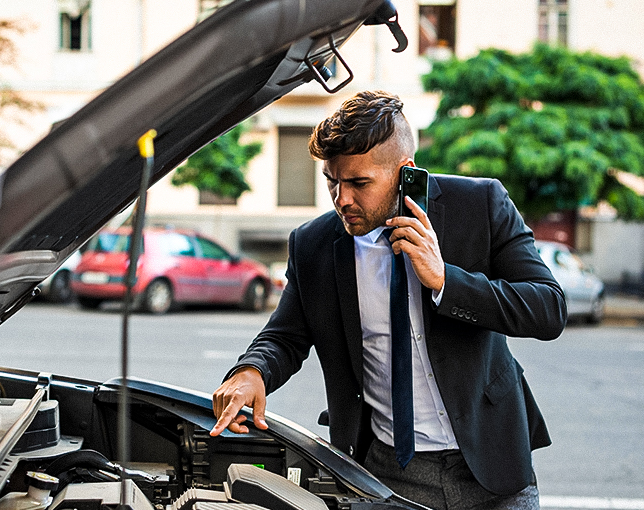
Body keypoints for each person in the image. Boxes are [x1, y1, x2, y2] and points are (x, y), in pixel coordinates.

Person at [210, 90, 567, 510]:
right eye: (332, 181)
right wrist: (252, 371)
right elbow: (285, 335)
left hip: (492, 466)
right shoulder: (314, 245)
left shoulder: (480, 206)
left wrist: (444, 280)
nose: (342, 198)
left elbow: (548, 308)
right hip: (385, 473)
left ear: (406, 172)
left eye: (359, 183)